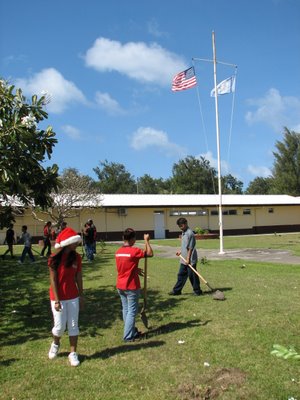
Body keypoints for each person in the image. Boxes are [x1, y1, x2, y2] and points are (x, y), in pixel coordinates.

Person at [48, 227, 83, 367]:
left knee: (73, 325)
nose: (77, 244)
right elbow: (53, 280)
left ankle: (73, 353)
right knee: (60, 326)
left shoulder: (77, 257)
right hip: (58, 297)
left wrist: (81, 295)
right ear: (68, 243)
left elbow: (78, 276)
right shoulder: (53, 259)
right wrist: (57, 300)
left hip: (72, 296)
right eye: (75, 242)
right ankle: (55, 343)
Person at [115, 228, 153, 342]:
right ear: (132, 239)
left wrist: (134, 269)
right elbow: (150, 254)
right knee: (132, 311)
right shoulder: (134, 251)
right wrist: (147, 241)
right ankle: (128, 336)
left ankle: (131, 331)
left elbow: (124, 266)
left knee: (126, 310)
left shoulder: (118, 252)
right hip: (131, 286)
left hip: (120, 285)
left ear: (123, 238)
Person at [169, 217, 202, 296]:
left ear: (186, 224)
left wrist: (188, 259)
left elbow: (190, 248)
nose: (181, 227)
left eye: (182, 226)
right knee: (181, 275)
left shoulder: (190, 233)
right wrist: (180, 251)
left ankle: (197, 291)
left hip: (190, 259)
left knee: (192, 275)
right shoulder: (183, 232)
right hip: (183, 258)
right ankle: (177, 291)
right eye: (179, 226)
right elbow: (185, 246)